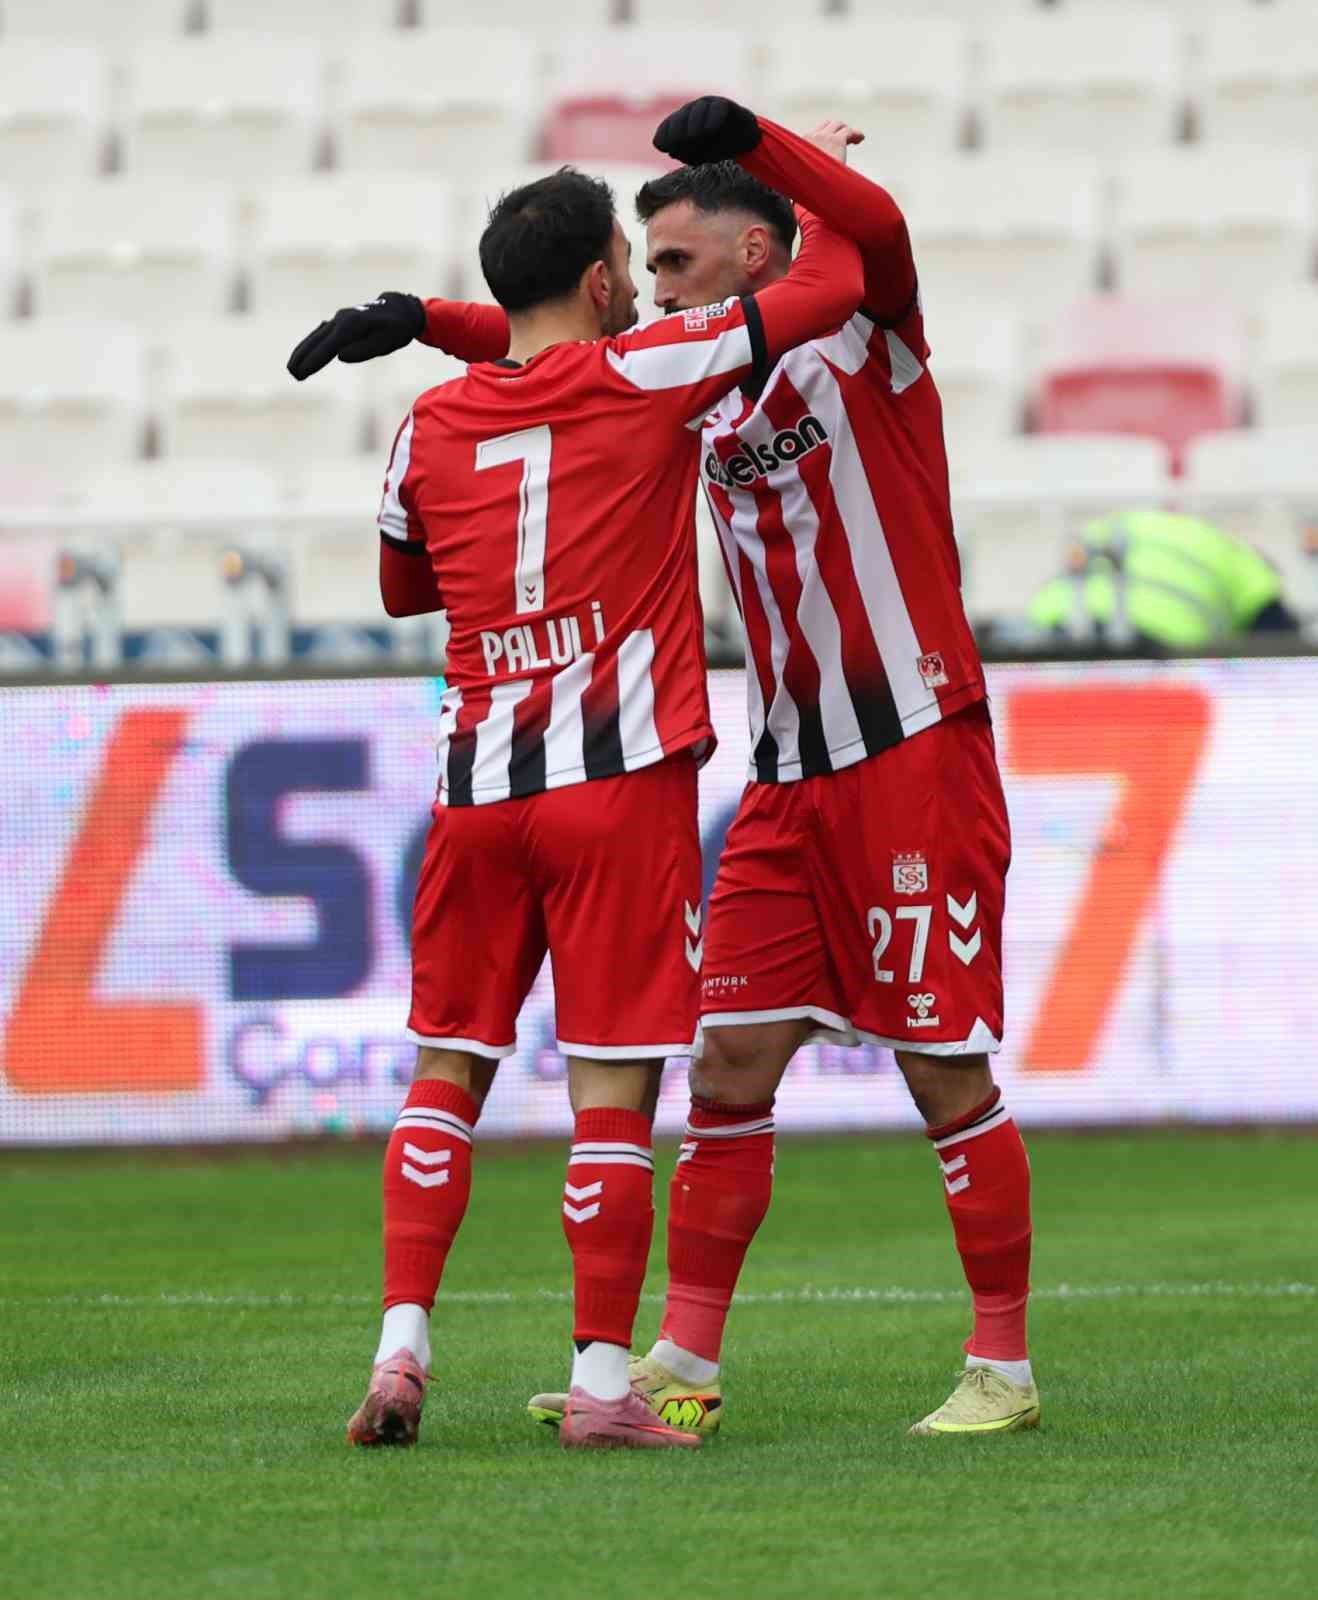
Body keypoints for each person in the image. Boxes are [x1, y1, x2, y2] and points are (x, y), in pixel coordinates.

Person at [291, 101, 1037, 1440]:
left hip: (913, 742)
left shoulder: (863, 335)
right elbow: (553, 351)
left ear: (756, 254)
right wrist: (427, 319)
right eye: (643, 268)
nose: (655, 287)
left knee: (941, 1067)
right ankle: (680, 1361)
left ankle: (1003, 1365)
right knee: (728, 1063)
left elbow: (870, 235)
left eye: (679, 263)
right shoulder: (682, 374)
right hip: (785, 768)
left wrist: (766, 142)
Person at [1027, 508, 1299, 651]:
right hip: (1158, 642)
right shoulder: (1247, 562)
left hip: (1056, 622)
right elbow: (1280, 643)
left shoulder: (1136, 522)